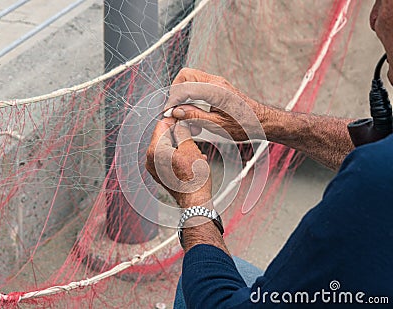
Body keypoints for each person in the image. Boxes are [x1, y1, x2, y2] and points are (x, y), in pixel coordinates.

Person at [146, 0, 393, 307]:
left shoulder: (374, 181)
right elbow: (383, 141)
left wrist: (195, 202)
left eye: (383, 3)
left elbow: (222, 303)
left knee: (195, 284)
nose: (372, 19)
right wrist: (263, 119)